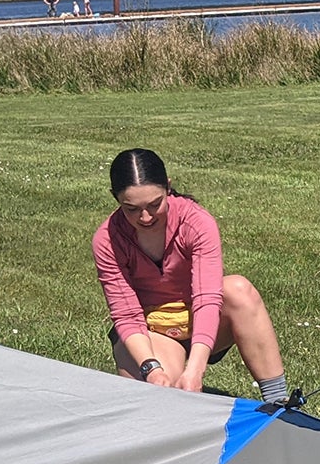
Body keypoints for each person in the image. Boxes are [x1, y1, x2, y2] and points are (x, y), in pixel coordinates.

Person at [92, 147, 291, 405]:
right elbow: (127, 315)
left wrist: (196, 369)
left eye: (155, 204)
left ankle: (279, 403)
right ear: (115, 198)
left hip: (202, 319)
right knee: (162, 400)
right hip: (152, 331)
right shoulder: (107, 240)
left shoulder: (197, 222)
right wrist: (151, 368)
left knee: (239, 289)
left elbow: (207, 298)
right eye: (131, 209)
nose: (145, 217)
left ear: (168, 187)